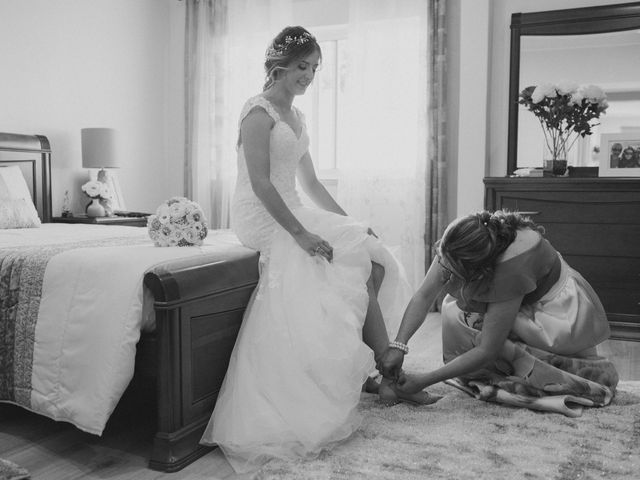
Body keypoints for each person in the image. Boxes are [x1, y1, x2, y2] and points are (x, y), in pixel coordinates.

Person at [200, 26, 433, 474]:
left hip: (293, 206)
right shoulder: (257, 111)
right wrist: (300, 235)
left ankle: (375, 367)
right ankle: (390, 375)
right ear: (280, 66)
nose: (308, 75)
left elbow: (310, 184)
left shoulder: (298, 117)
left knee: (371, 255)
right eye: (302, 66)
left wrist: (350, 222)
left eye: (314, 68)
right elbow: (262, 183)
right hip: (261, 216)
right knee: (344, 266)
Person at [378, 210, 619, 417]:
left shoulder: (510, 269)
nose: (445, 273)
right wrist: (399, 345)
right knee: (458, 312)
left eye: (454, 272)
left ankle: (529, 365)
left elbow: (487, 349)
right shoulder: (460, 240)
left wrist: (426, 379)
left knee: (490, 342)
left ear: (481, 273)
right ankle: (496, 365)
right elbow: (424, 295)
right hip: (510, 287)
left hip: (553, 312)